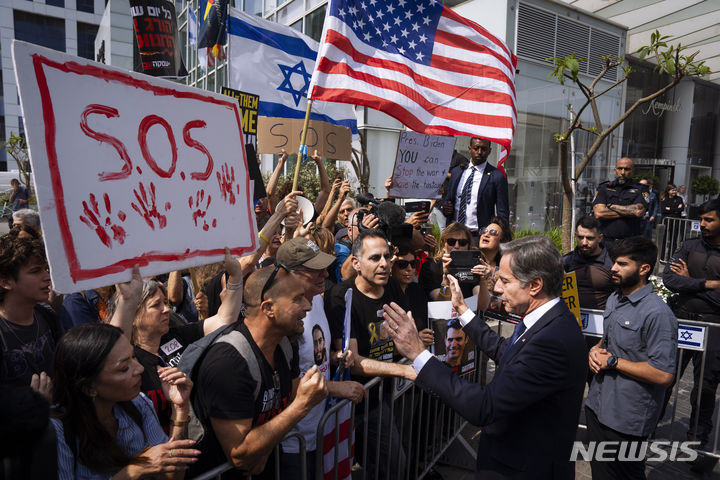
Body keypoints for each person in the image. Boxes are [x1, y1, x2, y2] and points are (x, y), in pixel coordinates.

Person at [384, 235, 587, 479]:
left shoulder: (553, 340)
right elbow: (507, 351)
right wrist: (462, 311)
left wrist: (417, 353)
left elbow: (484, 406)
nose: (497, 288)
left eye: (504, 280)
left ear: (535, 285)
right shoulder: (548, 321)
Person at [190, 265, 328, 479]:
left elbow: (288, 397)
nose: (308, 306)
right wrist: (303, 405)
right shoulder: (228, 364)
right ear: (268, 308)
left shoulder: (285, 344)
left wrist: (263, 446)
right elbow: (239, 454)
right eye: (297, 299)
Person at [109, 249, 244, 433]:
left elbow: (224, 319)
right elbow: (111, 345)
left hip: (204, 442)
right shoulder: (129, 357)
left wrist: (235, 276)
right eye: (156, 305)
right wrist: (127, 300)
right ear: (133, 314)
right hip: (162, 450)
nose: (166, 310)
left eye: (166, 303)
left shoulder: (177, 336)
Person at [51, 323, 199, 479]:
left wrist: (180, 408)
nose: (139, 369)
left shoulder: (139, 404)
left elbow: (172, 477)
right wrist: (135, 470)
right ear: (88, 387)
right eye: (124, 368)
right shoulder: (58, 431)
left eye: (134, 357)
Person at [324, 229, 417, 478]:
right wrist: (404, 369)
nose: (385, 264)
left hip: (392, 393)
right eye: (375, 258)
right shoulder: (342, 296)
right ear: (356, 263)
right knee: (392, 466)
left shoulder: (393, 288)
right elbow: (352, 362)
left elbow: (407, 338)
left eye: (387, 257)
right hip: (361, 402)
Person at [586, 236, 677, 479]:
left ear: (644, 269)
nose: (613, 268)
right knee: (600, 473)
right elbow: (609, 341)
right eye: (614, 262)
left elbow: (664, 374)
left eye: (622, 264)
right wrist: (595, 349)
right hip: (597, 406)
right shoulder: (615, 298)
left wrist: (614, 362)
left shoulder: (658, 313)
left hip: (627, 417)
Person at [276, 237, 365, 479]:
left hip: (321, 427)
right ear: (288, 274)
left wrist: (334, 358)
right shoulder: (283, 320)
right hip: (294, 441)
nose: (325, 274)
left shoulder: (316, 299)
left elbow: (312, 358)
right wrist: (337, 388)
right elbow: (290, 386)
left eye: (324, 267)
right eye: (314, 270)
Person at [663, 199, 720, 450]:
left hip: (713, 327)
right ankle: (647, 429)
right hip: (681, 320)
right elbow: (669, 279)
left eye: (709, 220)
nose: (703, 224)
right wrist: (705, 284)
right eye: (702, 219)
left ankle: (697, 443)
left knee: (705, 387)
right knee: (663, 377)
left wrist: (690, 281)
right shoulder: (690, 245)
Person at [0, 236, 60, 402]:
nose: (47, 277)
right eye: (35, 271)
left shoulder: (46, 315)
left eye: (46, 269)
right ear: (6, 282)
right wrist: (36, 406)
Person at [443, 138, 509, 239]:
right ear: (469, 149)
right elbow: (449, 200)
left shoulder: (496, 176)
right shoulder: (457, 172)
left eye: (484, 149)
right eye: (476, 148)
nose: (479, 152)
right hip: (454, 235)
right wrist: (446, 208)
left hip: (479, 237)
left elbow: (502, 212)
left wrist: (503, 239)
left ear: (489, 151)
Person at [592, 157, 649, 250]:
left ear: (633, 171)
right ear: (615, 170)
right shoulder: (604, 188)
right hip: (606, 243)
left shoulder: (641, 189)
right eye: (620, 168)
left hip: (630, 244)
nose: (623, 172)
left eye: (626, 169)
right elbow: (599, 213)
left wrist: (610, 206)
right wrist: (628, 212)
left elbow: (638, 211)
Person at [562, 215, 614, 311]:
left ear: (600, 238)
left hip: (602, 319)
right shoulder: (566, 261)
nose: (584, 242)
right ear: (575, 235)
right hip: (572, 317)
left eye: (590, 238)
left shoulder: (612, 263)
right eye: (580, 237)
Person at [391, 246, 433, 346]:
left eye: (413, 264)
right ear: (391, 266)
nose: (409, 269)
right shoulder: (384, 292)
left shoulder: (418, 290)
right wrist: (416, 339)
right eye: (402, 264)